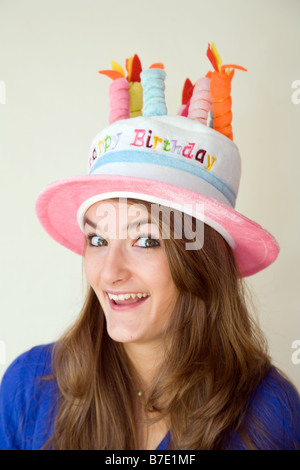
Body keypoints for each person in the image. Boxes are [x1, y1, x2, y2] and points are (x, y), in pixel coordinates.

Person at [1, 49, 300, 450]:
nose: (110, 273)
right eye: (98, 239)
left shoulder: (271, 414)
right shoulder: (28, 389)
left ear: (201, 260)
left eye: (145, 240)